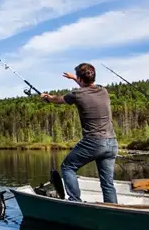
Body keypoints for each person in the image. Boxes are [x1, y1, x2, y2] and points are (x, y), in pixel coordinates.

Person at [40, 63, 118, 203]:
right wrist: (74, 78)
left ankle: (74, 201)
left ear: (81, 79)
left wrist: (46, 97)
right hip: (112, 142)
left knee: (67, 167)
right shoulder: (103, 91)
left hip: (94, 142)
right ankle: (113, 209)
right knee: (108, 183)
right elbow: (88, 85)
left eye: (78, 78)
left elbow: (58, 99)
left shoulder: (77, 94)